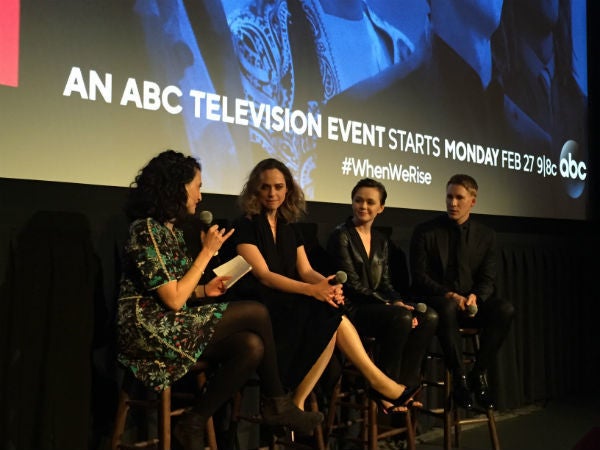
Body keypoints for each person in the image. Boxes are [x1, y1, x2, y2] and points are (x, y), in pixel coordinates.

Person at [116, 150, 323, 450]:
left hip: (169, 321)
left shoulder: (168, 231)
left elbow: (176, 290)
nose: (200, 196)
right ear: (177, 187)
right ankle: (277, 403)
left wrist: (204, 291)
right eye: (197, 186)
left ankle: (193, 421)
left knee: (252, 346)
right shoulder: (145, 229)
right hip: (147, 329)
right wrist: (205, 254)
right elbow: (173, 300)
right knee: (255, 311)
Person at [232, 158, 419, 417]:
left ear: (288, 189)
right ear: (255, 189)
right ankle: (377, 384)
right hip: (262, 308)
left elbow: (306, 271)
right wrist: (312, 290)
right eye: (265, 187)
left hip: (290, 301)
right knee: (328, 315)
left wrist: (327, 285)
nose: (272, 193)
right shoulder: (244, 226)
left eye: (278, 186)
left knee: (331, 314)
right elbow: (264, 276)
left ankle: (297, 403)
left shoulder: (290, 227)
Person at [327, 178, 438, 410]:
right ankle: (383, 388)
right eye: (358, 200)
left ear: (381, 208)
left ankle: (405, 385)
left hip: (377, 306)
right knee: (401, 317)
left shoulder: (381, 240)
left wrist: (396, 300)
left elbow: (386, 282)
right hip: (352, 308)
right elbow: (352, 285)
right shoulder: (341, 235)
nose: (363, 206)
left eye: (370, 202)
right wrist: (391, 305)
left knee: (430, 317)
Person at [409, 174, 515, 410]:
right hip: (437, 302)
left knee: (505, 309)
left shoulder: (486, 235)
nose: (452, 203)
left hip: (469, 303)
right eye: (449, 197)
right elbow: (419, 277)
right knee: (446, 307)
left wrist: (476, 296)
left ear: (473, 201)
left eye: (459, 198)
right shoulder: (426, 231)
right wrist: (450, 295)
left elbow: (488, 277)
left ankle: (478, 373)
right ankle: (460, 379)